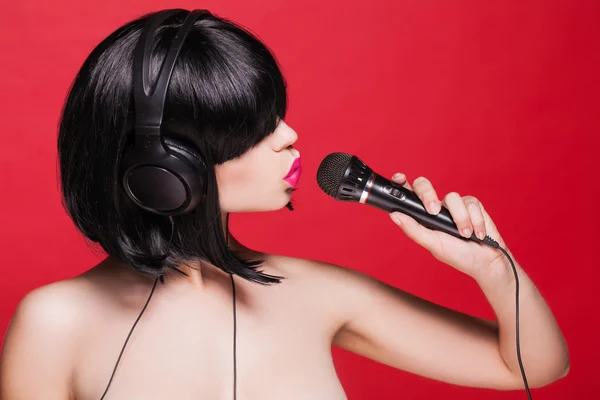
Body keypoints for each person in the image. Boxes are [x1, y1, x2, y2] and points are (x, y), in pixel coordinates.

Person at [0, 9, 569, 400]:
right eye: (251, 130)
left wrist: (494, 269)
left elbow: (531, 367)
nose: (289, 136)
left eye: (275, 115)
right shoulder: (55, 323)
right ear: (164, 173)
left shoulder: (319, 294)